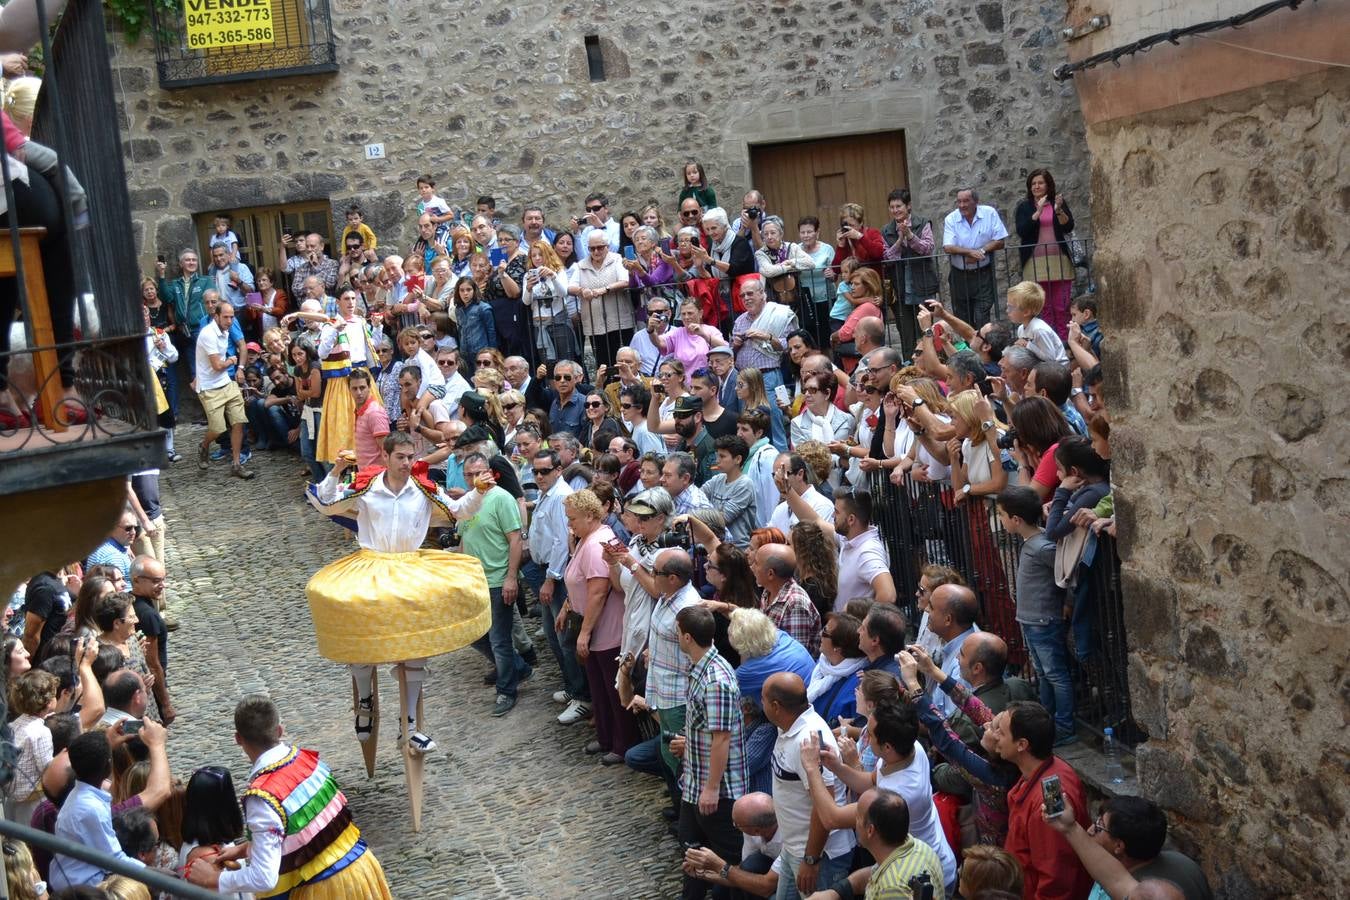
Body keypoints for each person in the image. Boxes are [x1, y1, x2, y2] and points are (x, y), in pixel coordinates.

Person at [309, 431, 494, 746]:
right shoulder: (366, 487)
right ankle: (365, 702)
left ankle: (408, 724)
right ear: (386, 456)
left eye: (411, 457)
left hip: (411, 568)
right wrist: (337, 470)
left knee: (415, 646)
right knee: (361, 630)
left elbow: (459, 511)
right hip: (372, 565)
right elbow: (326, 505)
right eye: (401, 457)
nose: (407, 463)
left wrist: (478, 492)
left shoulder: (424, 488)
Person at [185, 697, 392, 896]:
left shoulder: (262, 798)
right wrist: (247, 848)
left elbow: (264, 878)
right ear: (280, 731)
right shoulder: (308, 761)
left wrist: (214, 879)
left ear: (238, 739)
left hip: (326, 888)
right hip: (363, 870)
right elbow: (306, 831)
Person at [671, 604, 747, 900]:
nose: (676, 637)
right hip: (695, 784)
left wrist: (712, 788)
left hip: (719, 791)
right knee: (691, 852)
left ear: (688, 637)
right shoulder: (700, 668)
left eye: (677, 632)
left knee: (729, 861)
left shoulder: (716, 681)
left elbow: (721, 738)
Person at [761, 672, 855, 897]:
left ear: (776, 706)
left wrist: (811, 859)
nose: (759, 703)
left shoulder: (809, 739)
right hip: (794, 850)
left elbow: (824, 803)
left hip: (820, 857)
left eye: (762, 699)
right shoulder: (787, 725)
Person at [561, 489, 638, 758]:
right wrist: (566, 606)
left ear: (590, 516)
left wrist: (584, 632)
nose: (569, 524)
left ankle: (622, 743)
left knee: (612, 690)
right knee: (599, 687)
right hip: (596, 628)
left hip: (607, 629)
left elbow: (598, 591)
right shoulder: (587, 538)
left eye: (572, 519)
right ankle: (607, 738)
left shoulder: (596, 544)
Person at [989, 701, 1092, 900]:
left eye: (1001, 732)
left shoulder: (1050, 802)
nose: (995, 736)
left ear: (1022, 745)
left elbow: (1056, 880)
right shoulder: (1048, 772)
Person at [997, 485, 1074, 743]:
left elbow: (1068, 576)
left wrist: (1068, 602)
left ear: (1016, 520)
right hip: (1031, 619)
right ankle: (1048, 720)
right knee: (1043, 673)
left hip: (1043, 620)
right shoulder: (1033, 543)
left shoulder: (1042, 547)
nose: (1000, 519)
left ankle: (1064, 725)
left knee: (1055, 674)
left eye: (1001, 515)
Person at [1047, 796, 1213, 900]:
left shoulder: (1136, 893)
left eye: (1099, 827)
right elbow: (1116, 879)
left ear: (1119, 846)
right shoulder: (1184, 863)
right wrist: (1070, 827)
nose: (1090, 830)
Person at [795, 786, 945, 900]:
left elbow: (887, 879)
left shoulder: (893, 888)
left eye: (858, 817)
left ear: (870, 830)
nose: (854, 821)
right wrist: (835, 892)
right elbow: (874, 873)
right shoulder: (917, 847)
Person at [51, 731, 147, 891]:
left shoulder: (82, 796)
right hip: (83, 887)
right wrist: (157, 875)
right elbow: (114, 861)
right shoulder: (90, 808)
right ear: (108, 765)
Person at [682, 792, 782, 899]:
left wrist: (720, 866)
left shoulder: (788, 840)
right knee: (721, 891)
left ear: (757, 830)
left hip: (790, 882)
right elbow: (742, 873)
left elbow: (766, 887)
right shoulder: (755, 830)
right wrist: (703, 874)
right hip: (770, 872)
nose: (735, 826)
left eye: (737, 824)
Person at [194, 302, 254, 478]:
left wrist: (235, 365)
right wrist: (232, 361)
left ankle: (236, 464)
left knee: (238, 421)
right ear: (216, 316)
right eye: (226, 317)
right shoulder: (208, 334)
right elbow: (218, 365)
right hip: (209, 388)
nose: (229, 320)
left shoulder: (225, 331)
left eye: (232, 316)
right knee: (218, 429)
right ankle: (204, 445)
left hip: (226, 383)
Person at [1015, 169, 1077, 339]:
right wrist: (1038, 211)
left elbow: (1068, 226)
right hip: (1035, 264)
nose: (1036, 186)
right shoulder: (1024, 207)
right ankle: (1050, 344)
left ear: (1048, 185)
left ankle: (1066, 343)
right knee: (1045, 307)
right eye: (1033, 183)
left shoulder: (1058, 203)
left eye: (1040, 183)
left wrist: (1058, 210)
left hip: (1059, 262)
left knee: (1062, 306)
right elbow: (1022, 231)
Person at [880, 188, 940, 352]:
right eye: (892, 207)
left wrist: (910, 236)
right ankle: (909, 369)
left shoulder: (923, 223)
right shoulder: (886, 230)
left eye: (898, 206)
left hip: (922, 285)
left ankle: (929, 367)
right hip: (900, 288)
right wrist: (900, 239)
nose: (895, 210)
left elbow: (927, 249)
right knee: (906, 333)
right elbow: (887, 257)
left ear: (908, 206)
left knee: (925, 329)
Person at [942, 187, 1009, 329]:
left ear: (976, 202)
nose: (962, 205)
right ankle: (968, 349)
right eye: (959, 201)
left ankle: (983, 348)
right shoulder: (951, 219)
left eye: (966, 201)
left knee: (981, 316)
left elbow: (1000, 241)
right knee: (962, 317)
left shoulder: (989, 213)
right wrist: (969, 253)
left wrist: (981, 252)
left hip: (983, 274)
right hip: (959, 275)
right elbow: (948, 247)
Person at [750, 543, 821, 658]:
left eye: (756, 563)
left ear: (770, 574)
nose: (752, 567)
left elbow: (795, 656)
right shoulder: (768, 590)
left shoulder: (796, 604)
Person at [701, 435, 757, 548]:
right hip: (717, 546)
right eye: (717, 456)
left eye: (722, 456)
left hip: (737, 549)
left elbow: (723, 519)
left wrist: (694, 516)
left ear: (738, 459)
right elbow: (697, 497)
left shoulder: (745, 484)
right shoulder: (718, 479)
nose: (717, 460)